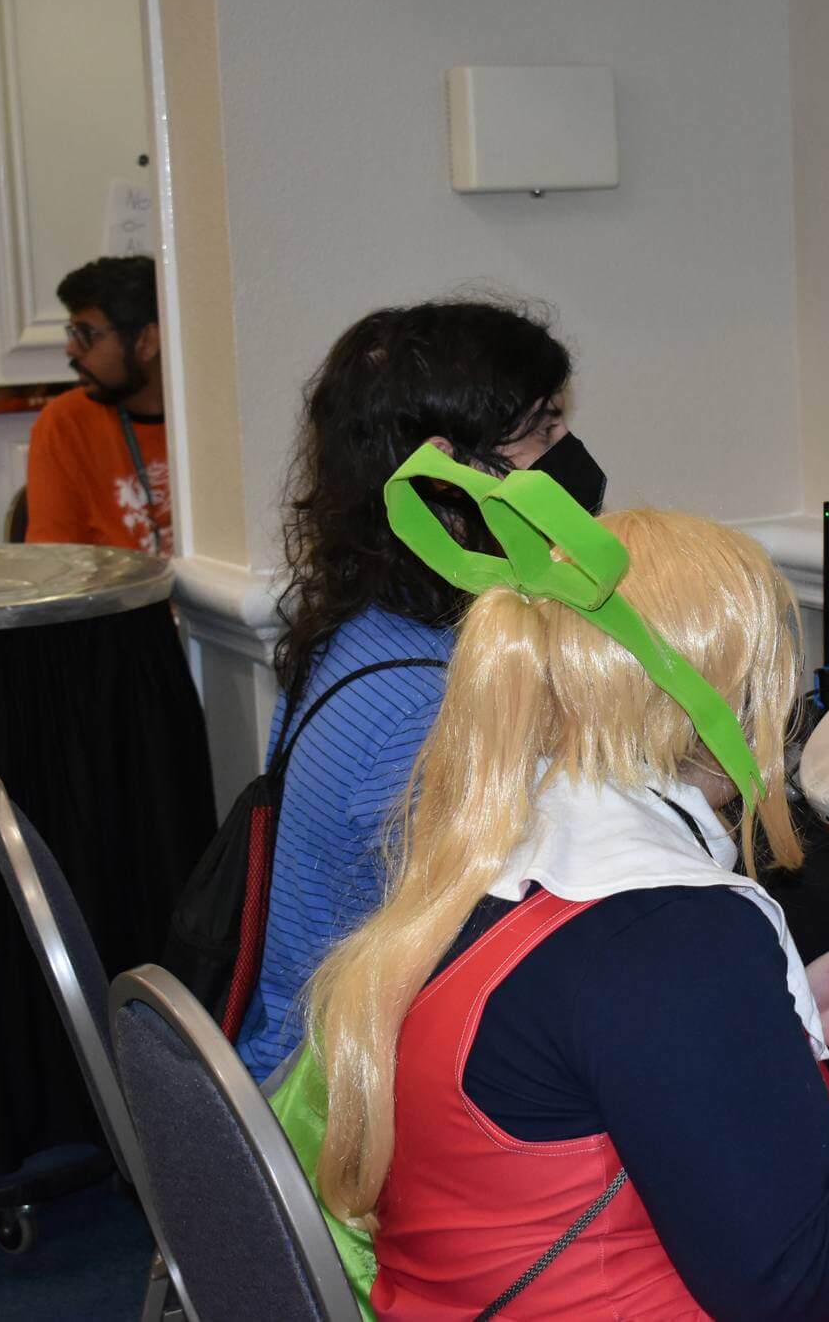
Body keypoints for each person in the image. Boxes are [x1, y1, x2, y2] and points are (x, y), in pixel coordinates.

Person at [304, 486, 829, 1320]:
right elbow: (794, 1275)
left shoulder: (484, 864)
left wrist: (774, 1020)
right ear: (712, 703)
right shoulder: (668, 935)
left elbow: (588, 1065)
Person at [234, 299, 603, 1082]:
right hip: (347, 1098)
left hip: (309, 1054)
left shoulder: (366, 626)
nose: (565, 451)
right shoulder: (424, 704)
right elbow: (504, 969)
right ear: (447, 472)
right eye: (541, 428)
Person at [26, 255, 173, 555]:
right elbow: (56, 563)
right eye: (72, 334)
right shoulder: (65, 423)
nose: (71, 349)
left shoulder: (217, 416)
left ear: (146, 341)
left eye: (86, 335)